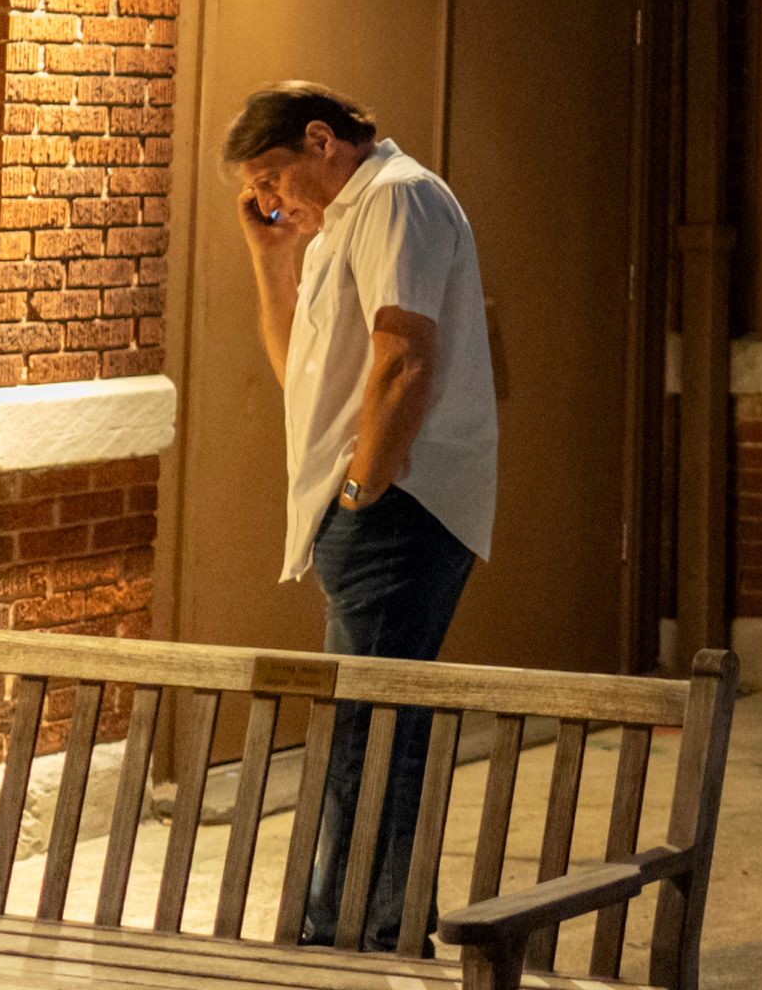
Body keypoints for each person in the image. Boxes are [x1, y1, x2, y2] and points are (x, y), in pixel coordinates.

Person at [227, 82, 498, 949]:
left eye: (273, 176)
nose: (271, 200)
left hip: (397, 510)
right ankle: (372, 923)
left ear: (322, 141)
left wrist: (360, 490)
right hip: (363, 516)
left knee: (369, 732)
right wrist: (267, 251)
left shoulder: (396, 199)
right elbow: (300, 373)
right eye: (258, 189)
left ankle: (356, 933)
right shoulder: (335, 226)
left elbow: (403, 357)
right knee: (372, 726)